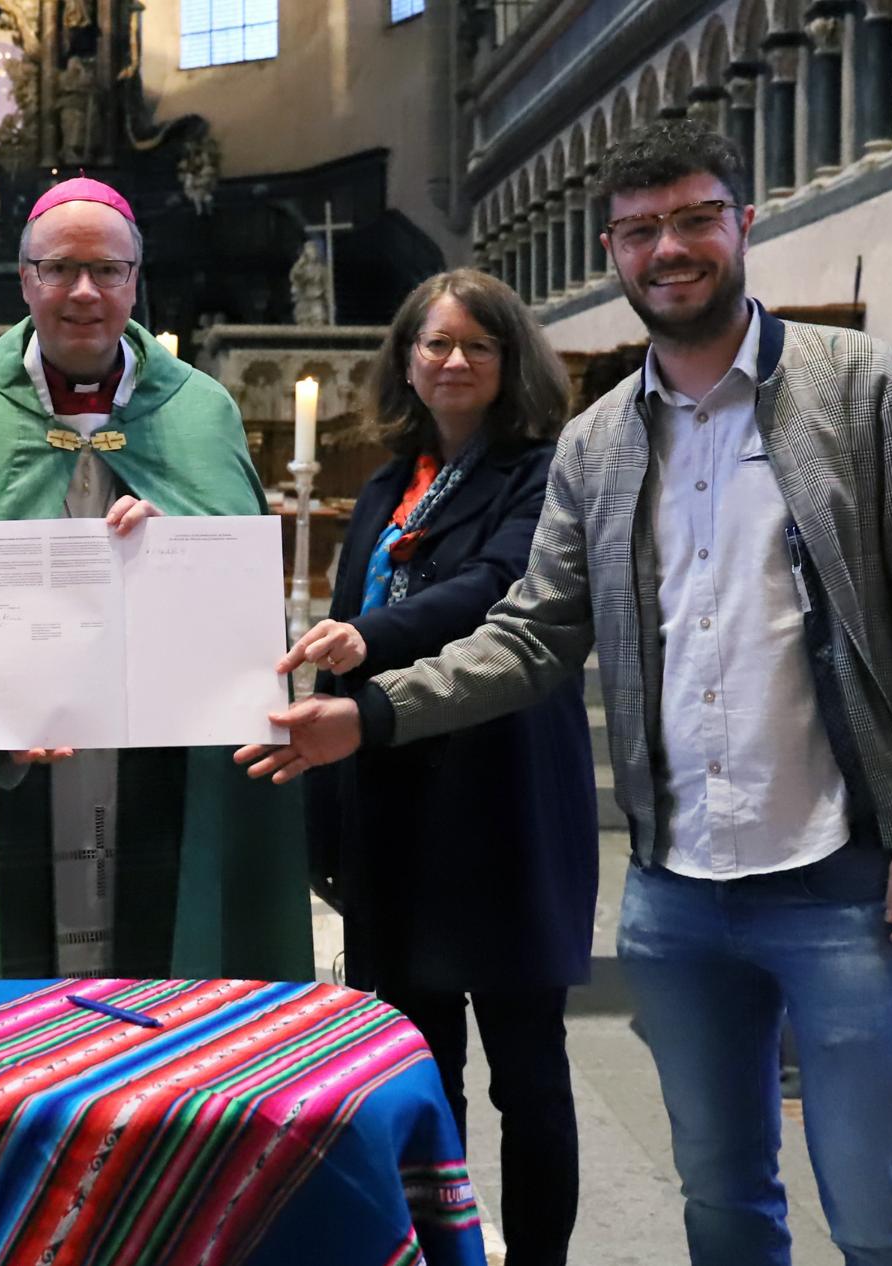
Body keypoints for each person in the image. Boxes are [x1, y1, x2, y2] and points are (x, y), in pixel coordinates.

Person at [239, 119, 892, 1266]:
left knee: (878, 1206)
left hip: (844, 876)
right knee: (723, 1200)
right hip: (679, 891)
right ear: (612, 250)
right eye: (643, 230)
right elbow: (533, 634)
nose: (670, 248)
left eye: (696, 218)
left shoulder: (865, 389)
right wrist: (371, 714)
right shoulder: (601, 442)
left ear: (745, 225)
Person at [0, 176, 311, 986]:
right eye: (59, 270)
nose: (84, 292)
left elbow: (244, 617)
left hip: (164, 757)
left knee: (165, 970)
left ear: (136, 281)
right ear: (25, 280)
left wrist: (177, 555)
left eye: (109, 271)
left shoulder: (203, 413)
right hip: (7, 764)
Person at [282, 268, 594, 1266]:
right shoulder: (384, 484)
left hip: (500, 795)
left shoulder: (542, 473)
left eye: (477, 346)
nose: (453, 362)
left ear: (510, 364)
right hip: (393, 804)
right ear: (405, 361)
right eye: (434, 344)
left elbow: (493, 588)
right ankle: (439, 1250)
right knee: (417, 1072)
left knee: (530, 1073)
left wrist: (363, 637)